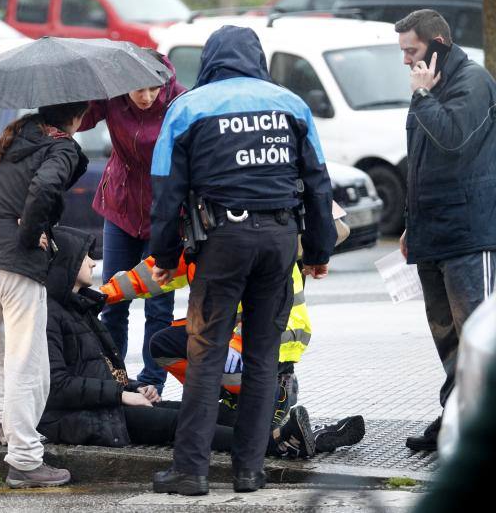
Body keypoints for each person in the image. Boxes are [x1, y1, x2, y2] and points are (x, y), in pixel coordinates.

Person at [148, 25, 337, 495]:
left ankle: (190, 472)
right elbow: (318, 183)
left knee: (206, 353)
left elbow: (166, 193)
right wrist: (317, 251)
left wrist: (164, 257)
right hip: (279, 241)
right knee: (262, 359)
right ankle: (249, 472)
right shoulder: (291, 105)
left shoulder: (187, 108)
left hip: (221, 242)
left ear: (210, 59)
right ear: (258, 58)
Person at [37, 226, 316, 458]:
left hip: (266, 349)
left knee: (197, 411)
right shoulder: (54, 315)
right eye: (86, 256)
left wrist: (133, 388)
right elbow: (59, 387)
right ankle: (276, 443)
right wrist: (124, 393)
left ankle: (280, 417)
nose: (94, 263)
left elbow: (96, 375)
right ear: (68, 263)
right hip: (93, 414)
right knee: (185, 420)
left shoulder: (77, 312)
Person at [101, 252, 365, 455]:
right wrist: (103, 293)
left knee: (200, 423)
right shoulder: (200, 239)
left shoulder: (258, 244)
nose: (93, 264)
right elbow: (154, 271)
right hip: (234, 352)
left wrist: (236, 346)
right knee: (166, 350)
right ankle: (279, 428)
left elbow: (278, 320)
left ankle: (280, 417)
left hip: (265, 361)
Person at [0, 101, 89, 489]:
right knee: (28, 364)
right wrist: (29, 235)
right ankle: (24, 460)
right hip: (15, 265)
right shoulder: (61, 146)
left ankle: (5, 427)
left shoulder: (18, 137)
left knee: (3, 351)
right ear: (77, 116)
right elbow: (46, 186)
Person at [395, 9, 496, 452]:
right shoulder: (430, 89)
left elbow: (454, 140)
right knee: (447, 335)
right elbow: (421, 162)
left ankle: (481, 427)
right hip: (432, 232)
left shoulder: (471, 82)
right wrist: (409, 223)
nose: (405, 61)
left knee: (478, 333)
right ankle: (455, 417)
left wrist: (422, 98)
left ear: (438, 43)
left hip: (469, 233)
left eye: (411, 50)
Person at [77, 54, 187, 394]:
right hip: (122, 206)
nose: (147, 97)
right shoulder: (112, 96)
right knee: (113, 296)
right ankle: (114, 376)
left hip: (165, 214)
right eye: (139, 89)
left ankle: (153, 381)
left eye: (154, 88)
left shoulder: (181, 101)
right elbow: (78, 120)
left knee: (158, 303)